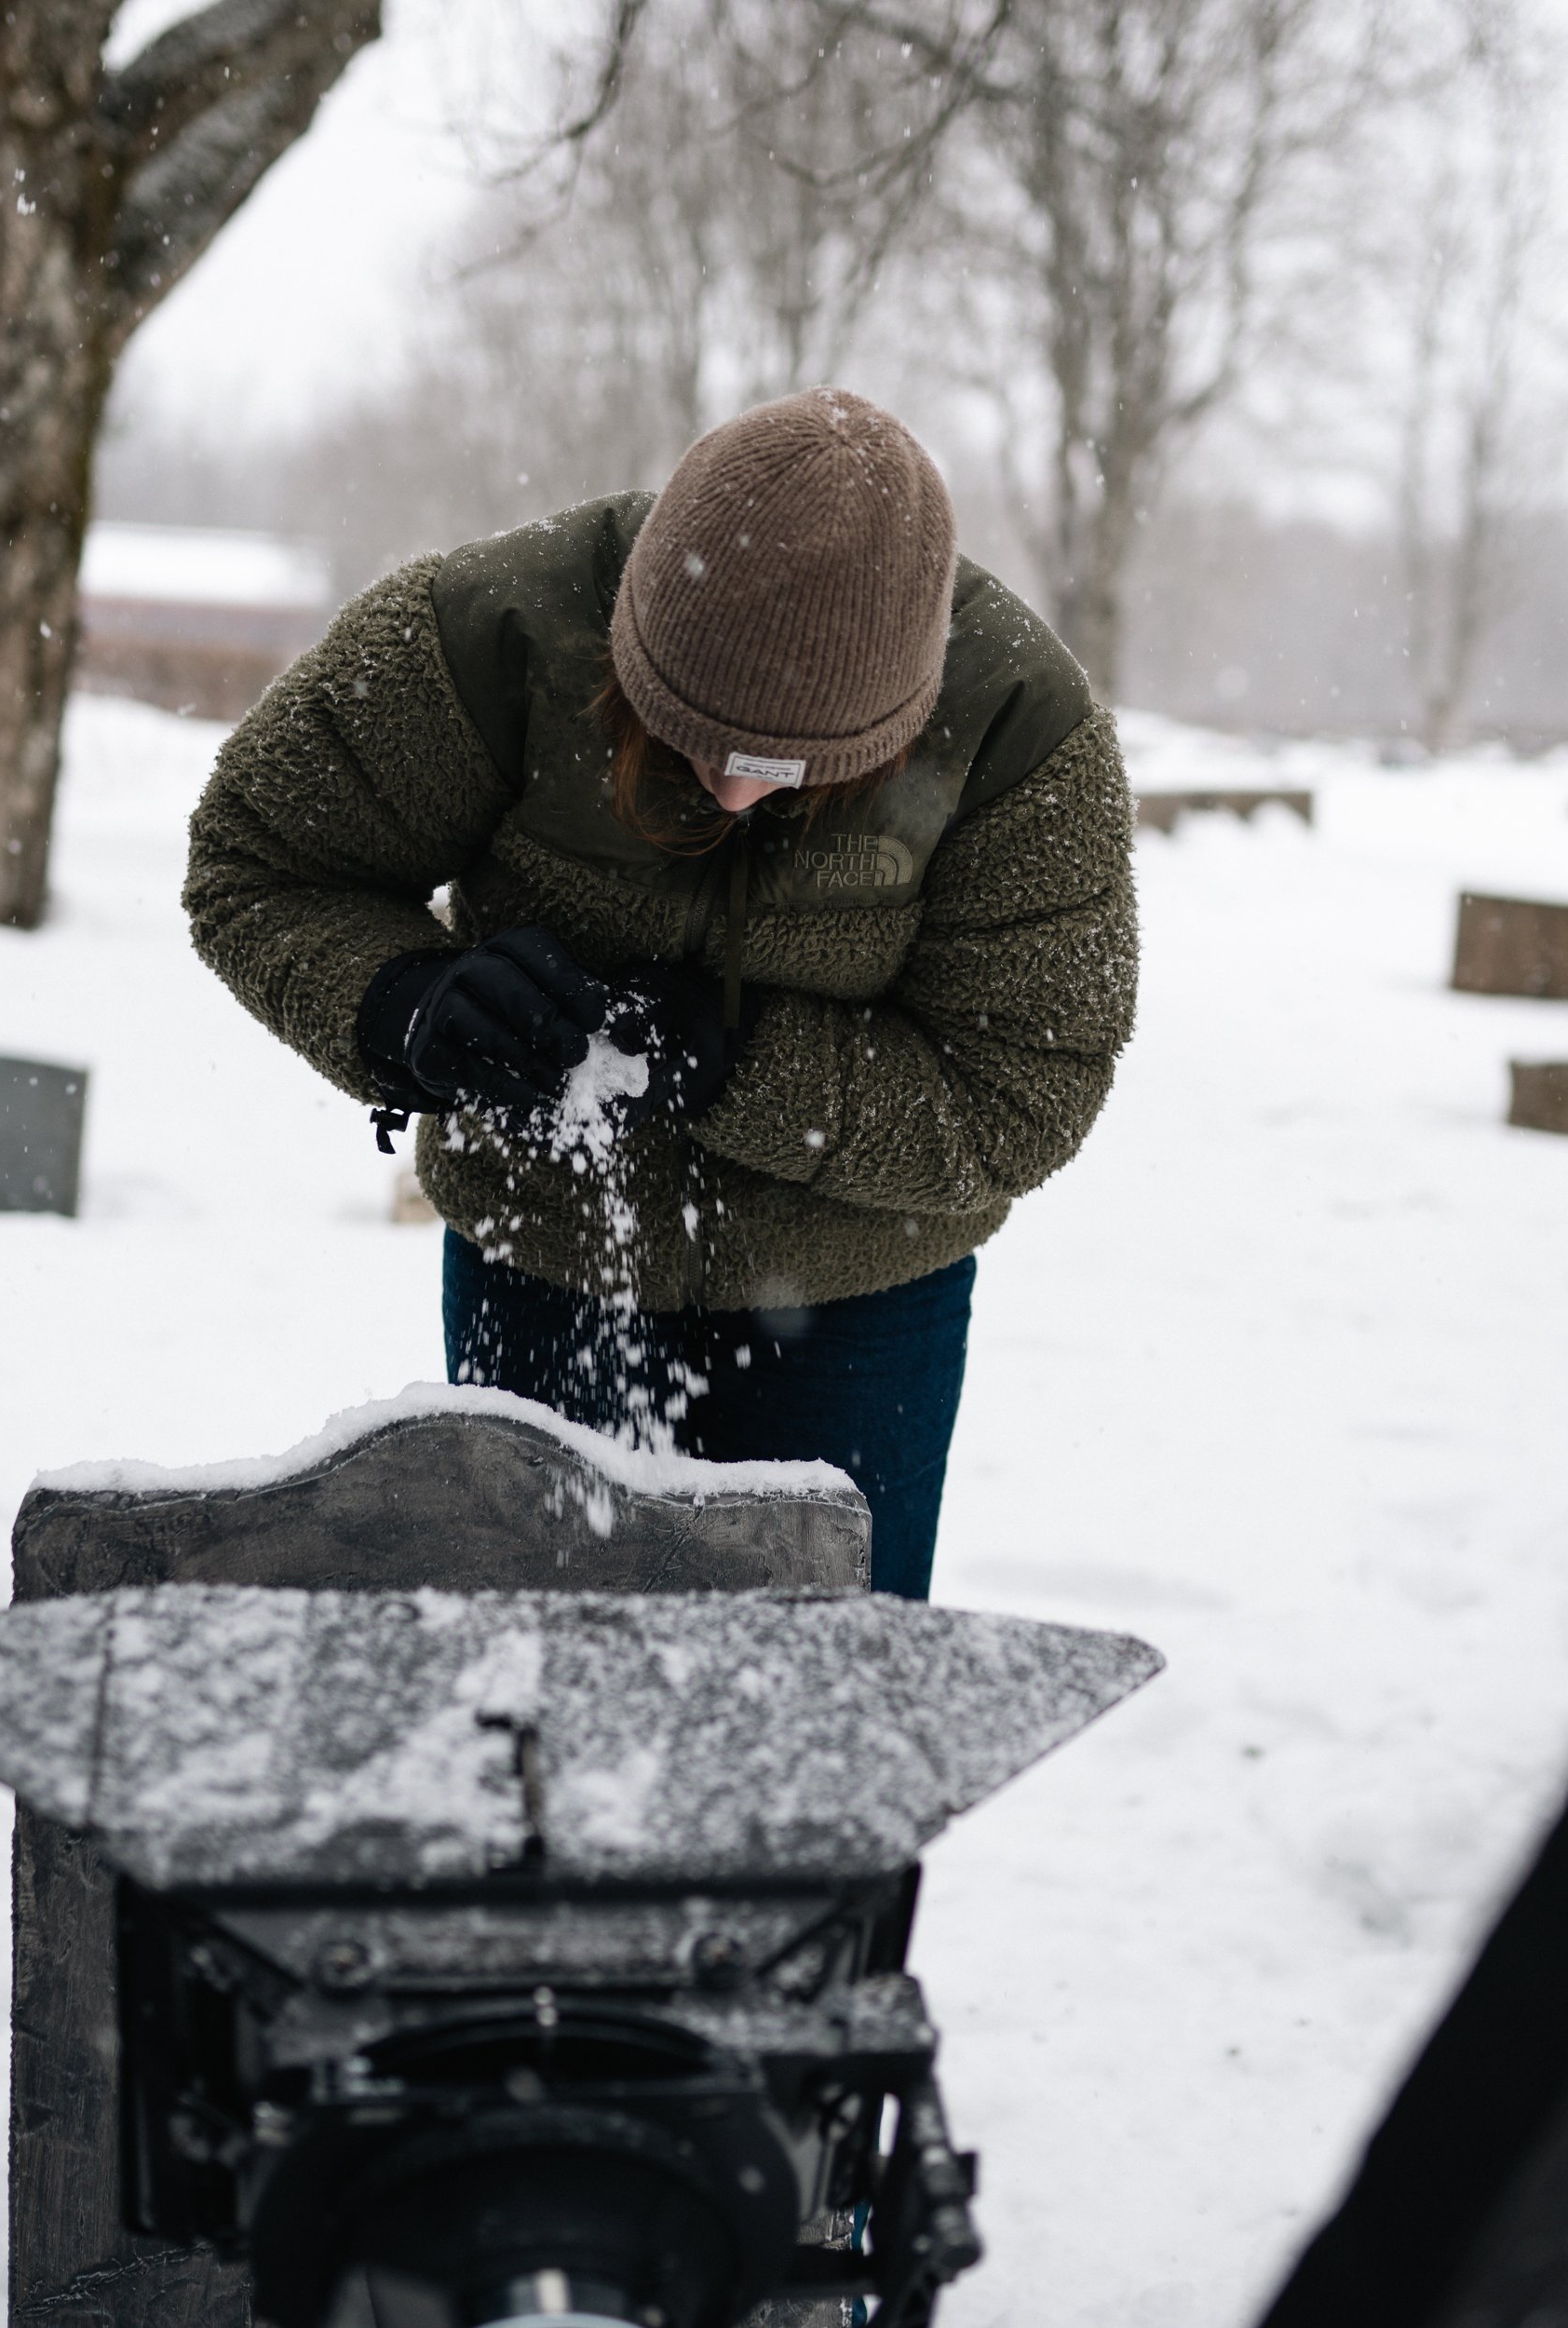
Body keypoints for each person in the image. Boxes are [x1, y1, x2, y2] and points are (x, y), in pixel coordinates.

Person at [183, 387, 1137, 1598]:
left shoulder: (1021, 735)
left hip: (856, 1301)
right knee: (535, 1665)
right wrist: (407, 1005)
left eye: (785, 770)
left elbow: (1023, 1093)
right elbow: (257, 862)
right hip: (543, 1255)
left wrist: (751, 1070)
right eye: (692, 738)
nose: (732, 796)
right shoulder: (488, 634)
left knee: (816, 1684)